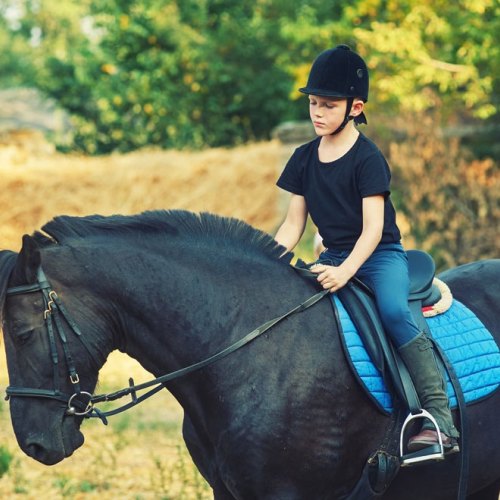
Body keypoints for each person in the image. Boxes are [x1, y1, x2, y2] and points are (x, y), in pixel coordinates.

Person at [274, 44, 459, 453]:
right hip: (335, 255)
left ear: (355, 107)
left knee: (394, 311)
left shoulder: (367, 158)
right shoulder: (303, 158)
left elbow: (374, 230)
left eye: (328, 105)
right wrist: (265, 261)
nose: (317, 112)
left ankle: (438, 418)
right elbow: (292, 225)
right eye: (313, 103)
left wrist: (344, 272)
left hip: (378, 258)